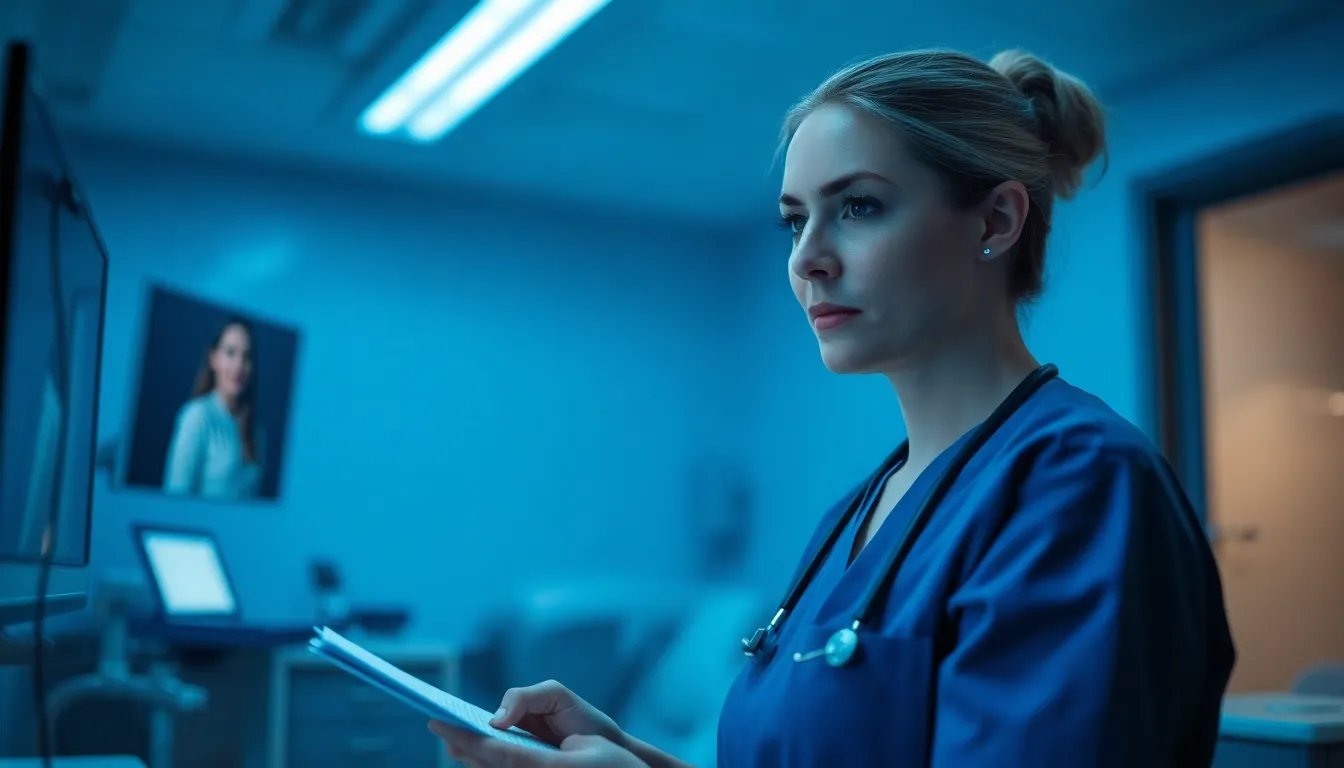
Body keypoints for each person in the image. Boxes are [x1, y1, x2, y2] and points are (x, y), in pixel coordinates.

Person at [430, 48, 1235, 767]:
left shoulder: (1078, 487)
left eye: (858, 207)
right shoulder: (857, 514)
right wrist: (627, 755)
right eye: (793, 220)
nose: (807, 260)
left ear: (995, 220)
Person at [162, 318, 265, 500]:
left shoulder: (256, 430)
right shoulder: (197, 416)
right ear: (214, 358)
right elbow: (175, 496)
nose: (238, 365)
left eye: (246, 356)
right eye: (230, 353)